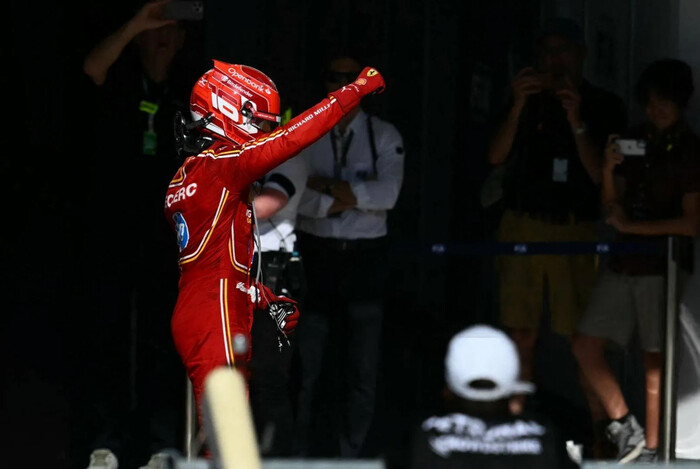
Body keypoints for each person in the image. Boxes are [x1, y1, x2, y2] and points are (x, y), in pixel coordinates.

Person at [163, 59, 387, 455]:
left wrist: (260, 298)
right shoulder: (219, 166)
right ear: (231, 109)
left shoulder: (193, 171)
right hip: (215, 307)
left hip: (216, 300)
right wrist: (354, 91)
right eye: (261, 122)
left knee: (231, 433)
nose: (265, 131)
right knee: (225, 443)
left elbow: (223, 255)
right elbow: (291, 139)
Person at [79, 1, 204, 467]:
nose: (162, 38)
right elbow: (91, 67)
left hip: (168, 237)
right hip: (112, 228)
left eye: (172, 30)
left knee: (160, 340)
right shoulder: (121, 79)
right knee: (109, 337)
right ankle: (105, 441)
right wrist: (134, 23)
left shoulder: (191, 91)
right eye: (154, 30)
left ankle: (156, 444)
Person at [486, 16, 627, 417]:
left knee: (585, 341)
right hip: (524, 223)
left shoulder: (604, 105)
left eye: (562, 50)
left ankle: (603, 440)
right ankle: (516, 430)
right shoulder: (524, 100)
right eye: (546, 52)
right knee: (521, 335)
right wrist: (516, 105)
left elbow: (603, 176)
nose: (554, 60)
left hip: (577, 229)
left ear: (581, 54)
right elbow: (495, 156)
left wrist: (577, 121)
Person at [572, 58, 700, 463]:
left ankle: (653, 451)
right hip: (624, 261)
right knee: (585, 344)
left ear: (681, 102)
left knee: (654, 363)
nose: (655, 109)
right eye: (649, 101)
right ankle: (627, 429)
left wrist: (631, 227)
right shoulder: (634, 138)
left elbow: (691, 223)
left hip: (664, 265)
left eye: (663, 101)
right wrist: (608, 170)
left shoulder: (691, 151)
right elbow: (612, 208)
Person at [292, 52, 405, 458]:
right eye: (332, 77)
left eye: (349, 78)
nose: (340, 85)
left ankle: (352, 455)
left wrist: (328, 190)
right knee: (308, 364)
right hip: (317, 256)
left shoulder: (385, 135)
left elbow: (389, 196)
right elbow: (293, 197)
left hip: (365, 261)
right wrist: (351, 199)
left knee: (362, 369)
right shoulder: (304, 132)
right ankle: (300, 453)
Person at [408, 324, 579, 469]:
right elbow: (575, 456)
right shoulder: (548, 439)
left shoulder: (421, 439)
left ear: (447, 389)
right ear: (515, 388)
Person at [248, 153, 309, 457]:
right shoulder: (235, 160)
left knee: (270, 380)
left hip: (275, 284)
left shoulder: (289, 159)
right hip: (239, 280)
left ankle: (276, 460)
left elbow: (264, 205)